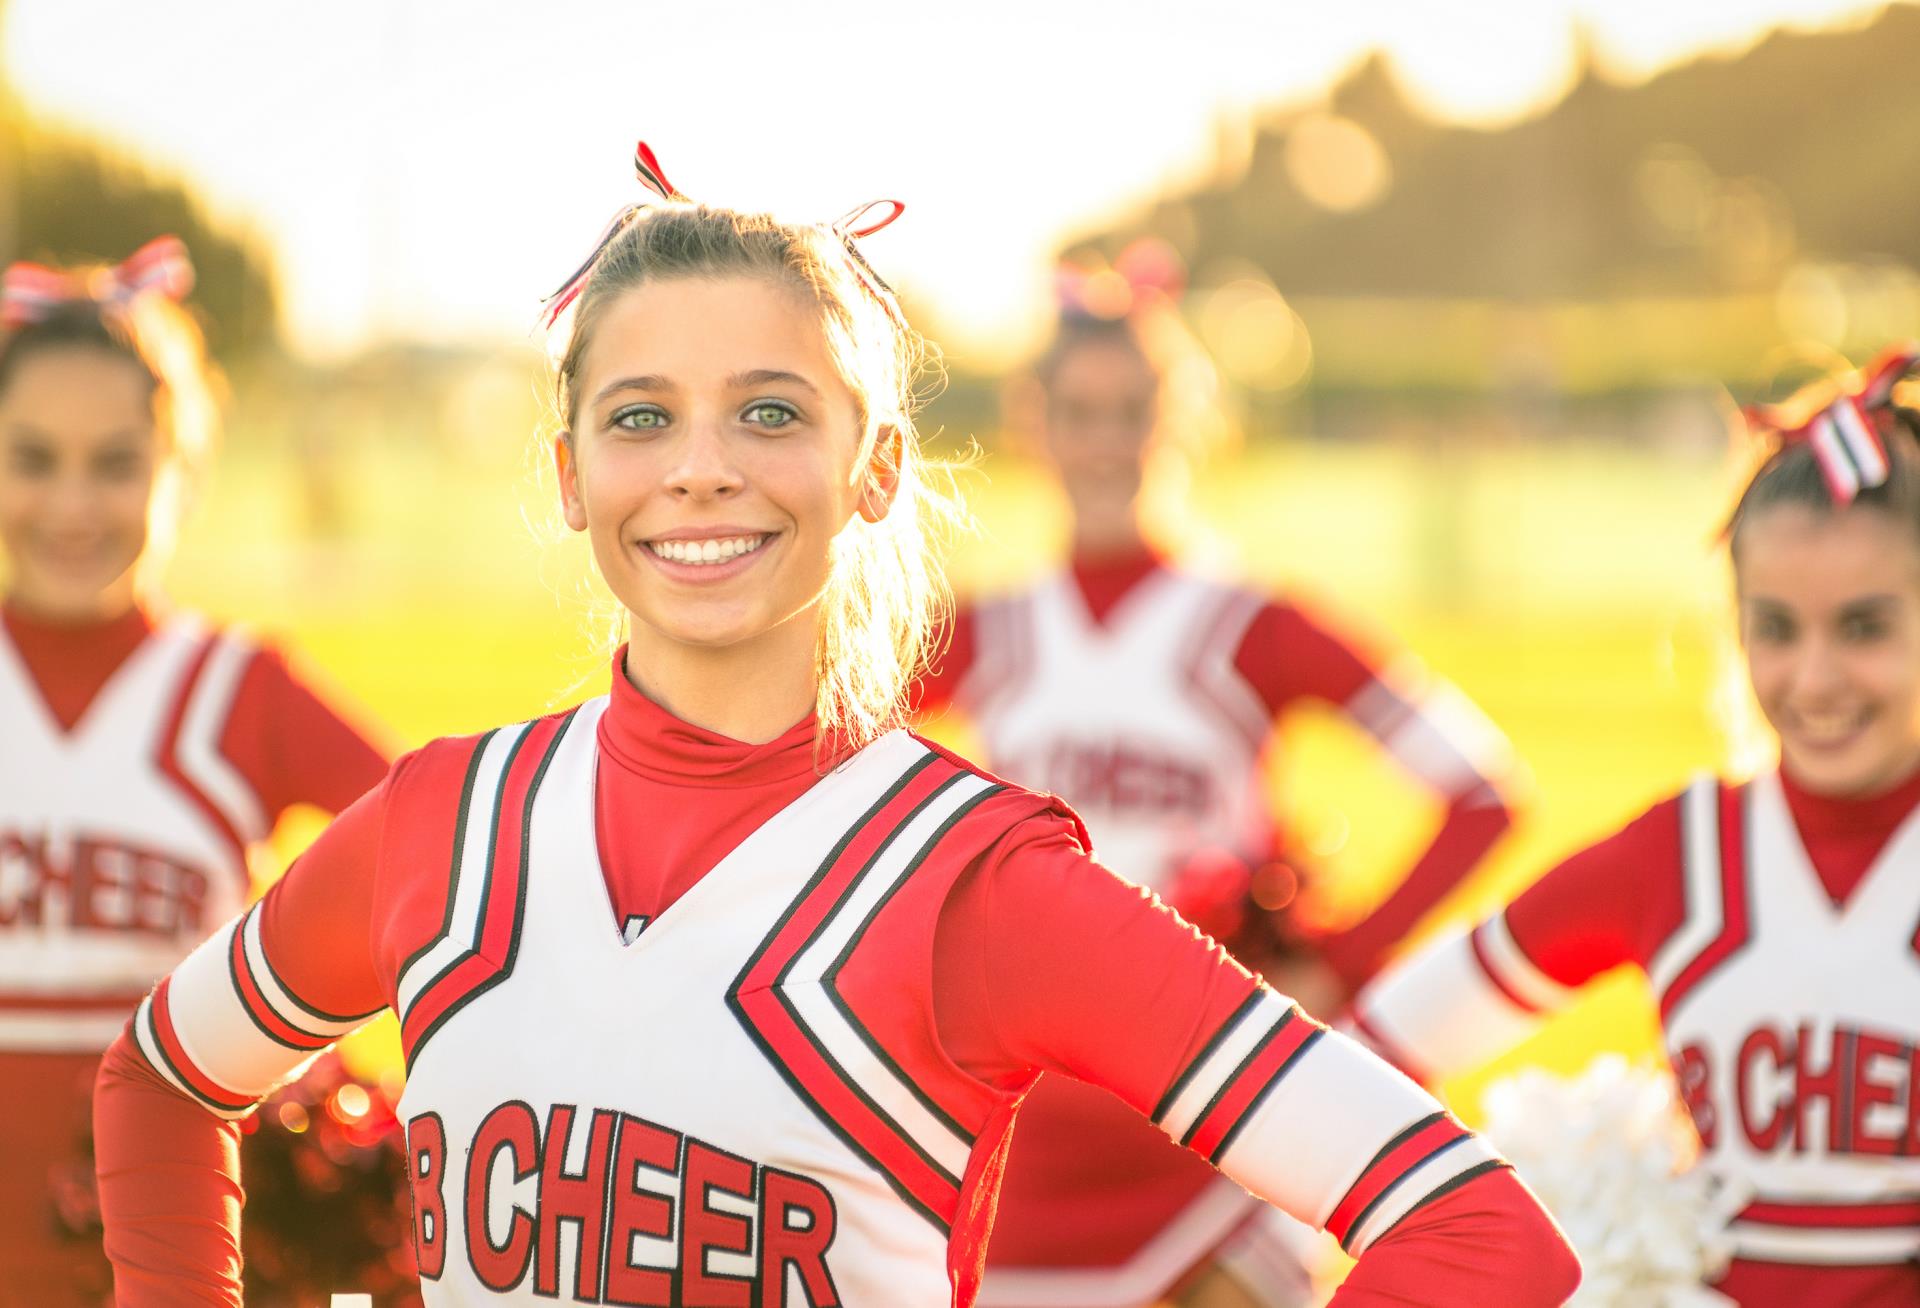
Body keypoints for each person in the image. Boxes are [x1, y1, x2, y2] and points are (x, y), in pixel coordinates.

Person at [93, 143, 1579, 1308]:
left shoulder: (973, 883)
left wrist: (1357, 954)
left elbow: (1473, 1228)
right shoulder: (444, 822)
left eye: (771, 412)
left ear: (875, 470)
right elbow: (162, 1076)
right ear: (564, 477)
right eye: (638, 417)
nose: (699, 470)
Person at [917, 249, 1520, 1307]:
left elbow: (1481, 792)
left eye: (1135, 409)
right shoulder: (986, 632)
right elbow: (799, 770)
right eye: (1080, 411)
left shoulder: (1252, 625)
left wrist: (1341, 962)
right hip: (1031, 1143)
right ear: (1035, 424)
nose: (1108, 441)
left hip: (1217, 1139)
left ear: (1185, 419)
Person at [1351, 346, 1920, 1306]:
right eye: (1776, 629)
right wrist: (1487, 1240)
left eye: (1864, 628)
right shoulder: (1681, 853)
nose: (1815, 679)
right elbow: (1382, 1043)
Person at [0, 239, 389, 1304]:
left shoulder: (239, 688)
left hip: (178, 1270)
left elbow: (453, 857)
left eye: (117, 463)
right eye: (33, 459)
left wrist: (321, 1077)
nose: (74, 504)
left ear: (181, 467)